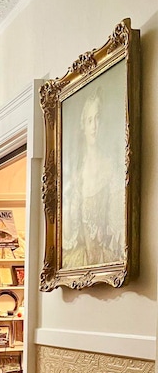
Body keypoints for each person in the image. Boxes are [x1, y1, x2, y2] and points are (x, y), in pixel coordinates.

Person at [62, 85, 125, 269]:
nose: (94, 126)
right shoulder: (76, 173)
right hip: (81, 260)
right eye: (89, 120)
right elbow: (68, 231)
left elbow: (117, 224)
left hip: (104, 259)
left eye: (97, 118)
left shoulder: (112, 168)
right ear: (83, 125)